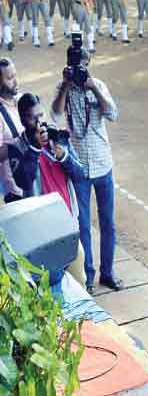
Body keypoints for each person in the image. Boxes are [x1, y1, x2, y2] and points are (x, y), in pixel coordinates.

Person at [51, 51, 121, 293]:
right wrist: (65, 86)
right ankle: (88, 277)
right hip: (79, 167)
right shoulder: (64, 88)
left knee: (108, 223)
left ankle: (108, 273)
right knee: (83, 225)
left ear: (88, 64)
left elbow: (113, 114)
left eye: (82, 67)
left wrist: (93, 88)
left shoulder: (98, 85)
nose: (79, 71)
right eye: (75, 67)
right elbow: (56, 113)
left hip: (103, 164)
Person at [0, 93, 85, 285]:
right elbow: (24, 182)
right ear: (22, 119)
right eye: (33, 118)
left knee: (80, 279)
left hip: (68, 223)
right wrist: (35, 149)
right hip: (42, 231)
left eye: (41, 116)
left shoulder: (58, 137)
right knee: (51, 284)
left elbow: (81, 175)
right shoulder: (17, 147)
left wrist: (65, 158)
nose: (39, 122)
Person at [0, 57, 23, 201]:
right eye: (9, 78)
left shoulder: (21, 100)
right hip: (16, 193)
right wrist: (22, 142)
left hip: (37, 181)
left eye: (15, 75)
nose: (15, 82)